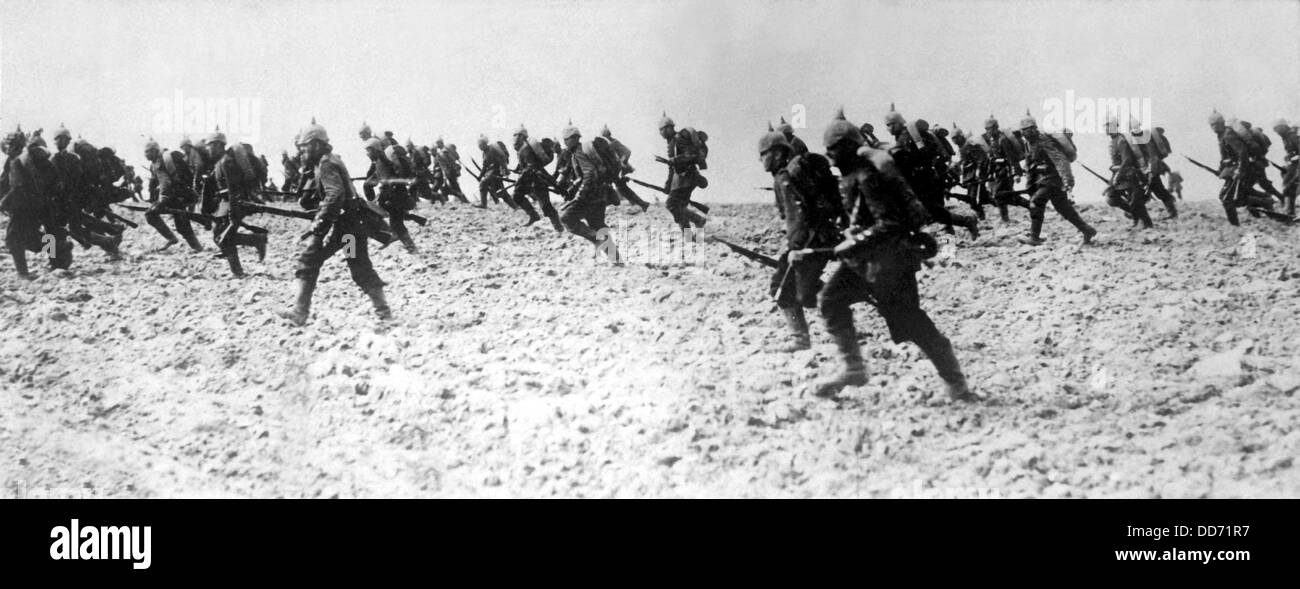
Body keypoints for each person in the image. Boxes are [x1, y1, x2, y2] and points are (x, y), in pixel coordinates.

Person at [814, 110, 975, 401]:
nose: (829, 155)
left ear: (850, 146)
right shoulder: (853, 175)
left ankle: (956, 384)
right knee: (830, 300)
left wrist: (852, 243)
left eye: (833, 148)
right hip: (865, 261)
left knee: (911, 323)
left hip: (890, 263)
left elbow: (890, 224)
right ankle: (853, 368)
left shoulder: (868, 176)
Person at [280, 120, 390, 325]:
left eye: (304, 148)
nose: (302, 152)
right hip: (348, 225)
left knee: (327, 261)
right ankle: (384, 312)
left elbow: (334, 194)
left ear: (315, 144)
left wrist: (319, 224)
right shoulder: (328, 161)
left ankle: (300, 311)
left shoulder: (326, 163)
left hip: (348, 228)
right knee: (356, 265)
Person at [759, 129, 844, 352]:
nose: (761, 160)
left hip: (809, 242)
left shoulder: (786, 178)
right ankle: (802, 337)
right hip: (811, 240)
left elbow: (799, 217)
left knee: (790, 290)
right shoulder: (784, 176)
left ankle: (805, 336)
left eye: (764, 154)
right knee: (792, 288)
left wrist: (794, 249)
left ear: (777, 154)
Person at [1017, 115, 1097, 245]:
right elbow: (1030, 163)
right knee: (1063, 208)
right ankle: (1087, 230)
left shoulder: (1043, 140)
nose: (1022, 133)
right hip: (1044, 179)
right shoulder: (1030, 143)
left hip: (1052, 178)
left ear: (1032, 129)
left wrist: (1068, 181)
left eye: (1024, 130)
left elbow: (1060, 160)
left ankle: (1034, 237)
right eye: (1022, 131)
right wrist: (1029, 184)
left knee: (1037, 202)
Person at [558, 125, 621, 262]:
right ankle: (616, 259)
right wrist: (573, 187)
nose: (565, 142)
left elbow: (589, 174)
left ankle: (595, 239)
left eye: (567, 139)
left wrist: (579, 195)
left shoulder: (579, 153)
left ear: (575, 139)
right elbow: (585, 174)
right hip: (601, 194)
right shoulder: (580, 153)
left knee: (566, 218)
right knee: (597, 225)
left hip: (590, 196)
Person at [143, 138, 205, 252]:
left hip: (179, 195)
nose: (145, 155)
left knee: (152, 215)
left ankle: (176, 240)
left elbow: (186, 176)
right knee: (181, 223)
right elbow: (157, 182)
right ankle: (195, 246)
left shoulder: (169, 157)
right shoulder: (154, 164)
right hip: (170, 196)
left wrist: (179, 193)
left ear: (154, 150)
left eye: (147, 152)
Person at [659, 113, 709, 232]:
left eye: (663, 129)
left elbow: (690, 155)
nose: (661, 133)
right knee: (680, 209)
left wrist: (675, 160)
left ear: (670, 127)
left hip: (686, 177)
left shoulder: (679, 139)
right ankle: (688, 238)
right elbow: (672, 168)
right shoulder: (671, 143)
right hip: (681, 180)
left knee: (671, 205)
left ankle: (698, 220)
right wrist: (668, 184)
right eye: (660, 130)